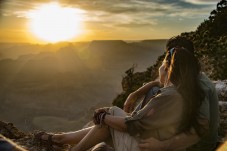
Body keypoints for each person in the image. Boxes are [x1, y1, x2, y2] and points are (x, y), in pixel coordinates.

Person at [35, 46, 208, 151]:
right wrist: (135, 94)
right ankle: (61, 139)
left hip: (145, 148)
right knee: (112, 114)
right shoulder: (185, 91)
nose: (159, 71)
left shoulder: (167, 97)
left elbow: (131, 125)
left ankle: (64, 142)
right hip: (155, 143)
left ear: (170, 69)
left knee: (109, 118)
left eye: (162, 67)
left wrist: (103, 117)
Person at [124, 36, 219, 151]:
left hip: (199, 146)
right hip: (185, 131)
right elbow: (159, 83)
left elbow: (202, 127)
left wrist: (162, 145)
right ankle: (134, 122)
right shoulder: (185, 74)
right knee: (154, 91)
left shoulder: (200, 84)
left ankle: (134, 126)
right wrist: (135, 94)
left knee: (159, 95)